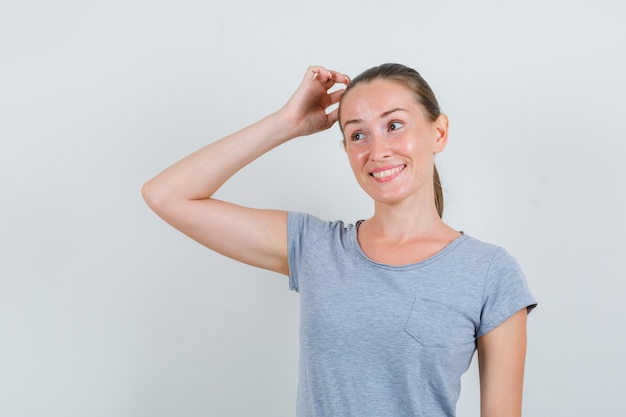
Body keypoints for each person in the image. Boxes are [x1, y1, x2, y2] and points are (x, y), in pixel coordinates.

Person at [142, 63, 537, 417]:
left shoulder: (490, 273)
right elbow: (166, 195)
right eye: (358, 134)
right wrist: (286, 123)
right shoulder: (315, 248)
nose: (378, 150)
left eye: (394, 125)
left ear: (439, 132)